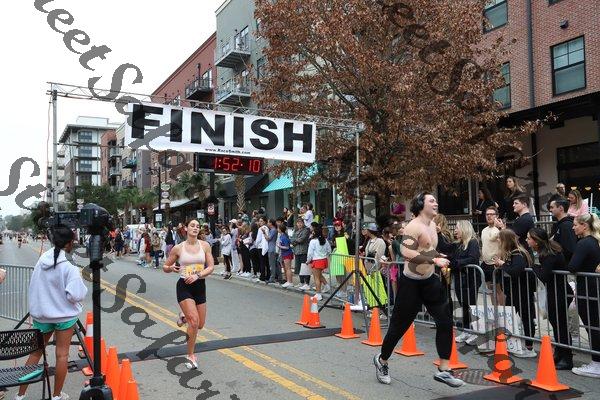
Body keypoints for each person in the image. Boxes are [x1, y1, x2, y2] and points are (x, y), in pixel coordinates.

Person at [374, 192, 465, 388]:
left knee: (445, 321)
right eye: (431, 200)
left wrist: (438, 255)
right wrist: (434, 260)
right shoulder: (413, 226)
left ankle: (444, 370)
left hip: (429, 281)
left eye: (436, 200)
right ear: (421, 205)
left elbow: (426, 249)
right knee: (399, 327)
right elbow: (406, 252)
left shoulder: (432, 226)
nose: (436, 203)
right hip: (411, 284)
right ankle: (382, 360)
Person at [15, 226, 87, 400]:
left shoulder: (42, 259)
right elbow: (76, 294)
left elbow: (35, 286)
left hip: (42, 316)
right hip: (65, 317)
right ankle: (56, 396)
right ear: (69, 243)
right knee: (62, 355)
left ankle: (20, 395)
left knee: (35, 353)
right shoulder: (69, 264)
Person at [163, 219, 214, 369]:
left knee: (200, 324)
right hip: (184, 286)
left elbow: (211, 267)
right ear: (186, 228)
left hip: (200, 286)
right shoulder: (178, 248)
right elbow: (165, 266)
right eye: (192, 225)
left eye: (197, 226)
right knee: (194, 322)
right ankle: (190, 355)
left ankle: (183, 316)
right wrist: (171, 268)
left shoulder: (205, 246)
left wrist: (198, 275)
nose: (195, 228)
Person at [526, 228, 574, 370]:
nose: (527, 240)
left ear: (536, 241)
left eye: (529, 238)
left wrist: (534, 267)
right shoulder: (547, 251)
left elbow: (544, 275)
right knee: (556, 323)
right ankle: (559, 352)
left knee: (560, 325)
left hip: (560, 292)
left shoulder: (549, 254)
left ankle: (566, 357)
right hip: (556, 291)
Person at [494, 229, 537, 358]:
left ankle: (529, 348)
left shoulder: (518, 253)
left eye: (499, 239)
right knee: (510, 316)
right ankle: (511, 343)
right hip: (513, 291)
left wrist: (503, 264)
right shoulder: (510, 253)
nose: (498, 241)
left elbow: (516, 270)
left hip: (522, 291)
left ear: (505, 240)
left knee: (526, 318)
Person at [567, 213, 600, 378]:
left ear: (584, 225)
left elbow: (572, 266)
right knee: (594, 324)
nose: (573, 228)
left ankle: (597, 364)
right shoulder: (594, 241)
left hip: (587, 288)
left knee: (592, 325)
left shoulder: (584, 243)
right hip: (592, 287)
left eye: (575, 225)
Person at [452, 220, 481, 345]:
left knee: (470, 305)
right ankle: (466, 330)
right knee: (463, 304)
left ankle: (475, 331)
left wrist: (457, 263)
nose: (455, 230)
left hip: (470, 279)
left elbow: (473, 258)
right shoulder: (459, 244)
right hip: (460, 278)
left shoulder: (473, 242)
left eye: (457, 228)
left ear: (464, 229)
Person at [480, 206, 504, 305]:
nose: (489, 216)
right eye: (487, 214)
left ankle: (503, 311)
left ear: (496, 216)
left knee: (499, 290)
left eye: (492, 214)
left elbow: (504, 244)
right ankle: (495, 311)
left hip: (496, 264)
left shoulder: (499, 230)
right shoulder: (484, 230)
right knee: (490, 290)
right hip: (485, 263)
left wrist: (501, 227)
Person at [306, 222, 332, 300]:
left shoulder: (313, 241)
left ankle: (318, 294)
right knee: (319, 275)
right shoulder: (325, 240)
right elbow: (329, 250)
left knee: (316, 277)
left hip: (316, 260)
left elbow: (310, 253)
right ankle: (326, 286)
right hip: (324, 260)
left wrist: (308, 261)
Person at [549, 197, 577, 262]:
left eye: (552, 207)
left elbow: (570, 249)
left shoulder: (566, 226)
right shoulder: (561, 224)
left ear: (561, 208)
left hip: (565, 264)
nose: (550, 210)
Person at [291, 218, 311, 290]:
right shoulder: (296, 230)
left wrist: (295, 241)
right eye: (298, 223)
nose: (299, 224)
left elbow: (302, 239)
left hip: (303, 251)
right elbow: (292, 239)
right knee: (299, 267)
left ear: (303, 223)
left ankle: (307, 283)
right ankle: (301, 282)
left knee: (305, 267)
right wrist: (295, 240)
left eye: (301, 222)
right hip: (297, 251)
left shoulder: (306, 230)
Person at [278, 223, 294, 288]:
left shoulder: (284, 237)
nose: (277, 229)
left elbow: (287, 247)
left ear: (280, 229)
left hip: (287, 253)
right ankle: (288, 281)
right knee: (286, 268)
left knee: (288, 268)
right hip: (285, 253)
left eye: (278, 228)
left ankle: (290, 282)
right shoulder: (282, 236)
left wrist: (279, 246)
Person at [266, 219, 280, 284]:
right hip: (272, 248)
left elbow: (268, 238)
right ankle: (277, 277)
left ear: (271, 223)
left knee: (272, 264)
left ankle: (272, 278)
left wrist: (264, 233)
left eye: (268, 222)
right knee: (275, 264)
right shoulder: (273, 230)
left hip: (272, 249)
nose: (267, 223)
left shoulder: (273, 230)